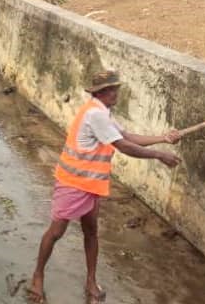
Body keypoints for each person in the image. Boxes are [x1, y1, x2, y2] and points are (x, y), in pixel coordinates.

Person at [26, 70, 182, 304]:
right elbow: (124, 146)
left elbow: (127, 136)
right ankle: (38, 275)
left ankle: (91, 281)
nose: (116, 93)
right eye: (112, 90)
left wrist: (163, 138)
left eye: (115, 89)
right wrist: (159, 155)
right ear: (101, 92)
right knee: (56, 232)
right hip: (72, 182)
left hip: (91, 184)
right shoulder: (95, 115)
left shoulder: (103, 112)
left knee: (91, 232)